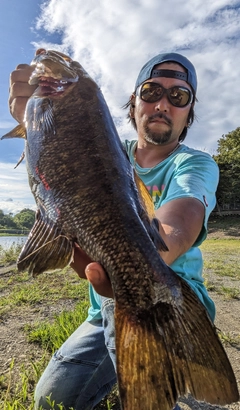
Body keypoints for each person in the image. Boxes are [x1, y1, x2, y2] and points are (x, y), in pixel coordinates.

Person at [9, 51, 219, 410]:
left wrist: (133, 272)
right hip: (104, 303)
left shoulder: (195, 164)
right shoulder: (109, 148)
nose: (163, 104)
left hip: (171, 300)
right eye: (152, 91)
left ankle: (175, 391)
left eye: (178, 96)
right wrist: (34, 120)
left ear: (189, 111)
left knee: (160, 400)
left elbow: (180, 222)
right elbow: (59, 175)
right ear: (134, 101)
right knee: (49, 401)